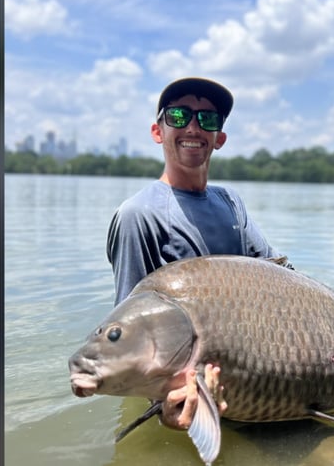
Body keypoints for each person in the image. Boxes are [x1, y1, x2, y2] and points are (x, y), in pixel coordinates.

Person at [106, 77, 290, 429]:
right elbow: (130, 332)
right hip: (197, 398)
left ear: (219, 138)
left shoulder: (231, 202)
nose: (193, 126)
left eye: (207, 119)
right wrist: (164, 408)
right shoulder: (138, 216)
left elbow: (282, 277)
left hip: (261, 383)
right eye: (179, 115)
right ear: (157, 132)